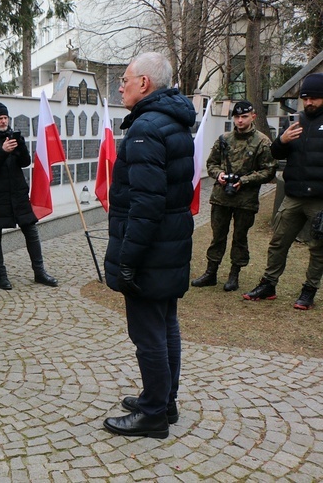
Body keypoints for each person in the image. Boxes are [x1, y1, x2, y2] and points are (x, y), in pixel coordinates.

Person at [103, 52, 196, 439]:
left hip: (151, 250)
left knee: (148, 334)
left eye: (125, 79)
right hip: (169, 246)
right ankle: (165, 400)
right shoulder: (172, 121)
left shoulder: (146, 128)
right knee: (165, 323)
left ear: (145, 84)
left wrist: (128, 260)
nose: (120, 86)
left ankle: (154, 414)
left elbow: (145, 203)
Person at [243, 72, 323, 310]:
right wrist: (283, 141)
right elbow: (276, 154)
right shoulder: (295, 120)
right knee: (278, 242)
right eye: (305, 98)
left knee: (318, 249)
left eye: (315, 98)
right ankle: (268, 285)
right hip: (293, 196)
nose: (308, 103)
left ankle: (308, 291)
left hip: (319, 200)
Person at [191, 101, 277, 291]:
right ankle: (210, 273)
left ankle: (234, 275)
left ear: (253, 116)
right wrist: (219, 174)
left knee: (240, 238)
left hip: (245, 200)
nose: (239, 120)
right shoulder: (224, 139)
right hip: (221, 197)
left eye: (244, 116)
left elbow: (269, 171)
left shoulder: (262, 142)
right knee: (217, 236)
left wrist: (244, 180)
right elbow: (211, 163)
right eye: (237, 117)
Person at [0, 102, 57, 290]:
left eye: (5, 118)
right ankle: (1, 275)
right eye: (0, 118)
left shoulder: (12, 135)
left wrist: (20, 147)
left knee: (31, 231)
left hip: (18, 194)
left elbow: (25, 162)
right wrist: (3, 151)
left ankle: (39, 272)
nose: (4, 121)